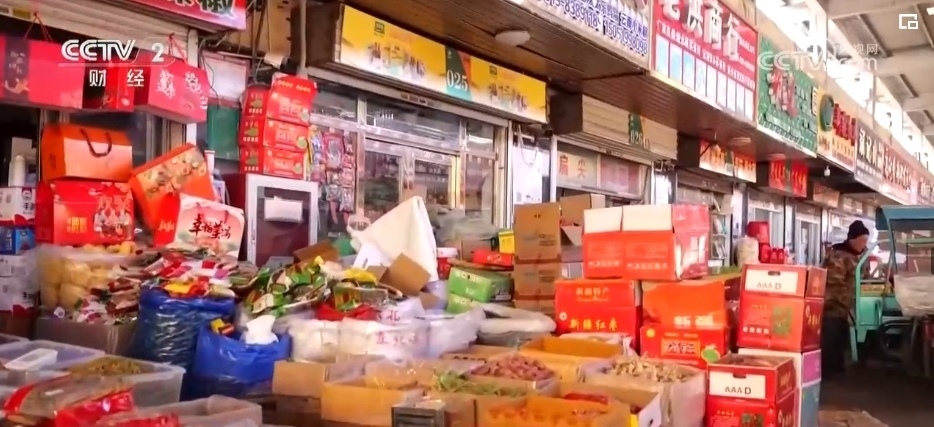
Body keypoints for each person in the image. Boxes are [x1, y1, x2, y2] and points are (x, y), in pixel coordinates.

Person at [821, 220, 871, 378]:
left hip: (852, 304)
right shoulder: (837, 256)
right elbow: (833, 284)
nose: (864, 244)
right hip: (834, 304)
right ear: (852, 239)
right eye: (862, 241)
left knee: (843, 338)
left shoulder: (863, 254)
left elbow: (866, 277)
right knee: (832, 336)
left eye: (866, 241)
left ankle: (840, 366)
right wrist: (847, 300)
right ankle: (828, 370)